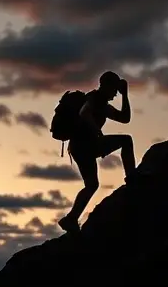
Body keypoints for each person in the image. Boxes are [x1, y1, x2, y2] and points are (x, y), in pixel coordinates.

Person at [58, 71, 137, 234]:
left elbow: (125, 118)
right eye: (115, 90)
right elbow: (84, 112)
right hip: (86, 145)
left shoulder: (103, 105)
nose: (116, 94)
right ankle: (132, 178)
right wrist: (96, 131)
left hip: (79, 148)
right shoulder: (94, 98)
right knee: (126, 140)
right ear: (107, 86)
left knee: (92, 184)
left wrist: (125, 95)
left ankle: (71, 218)